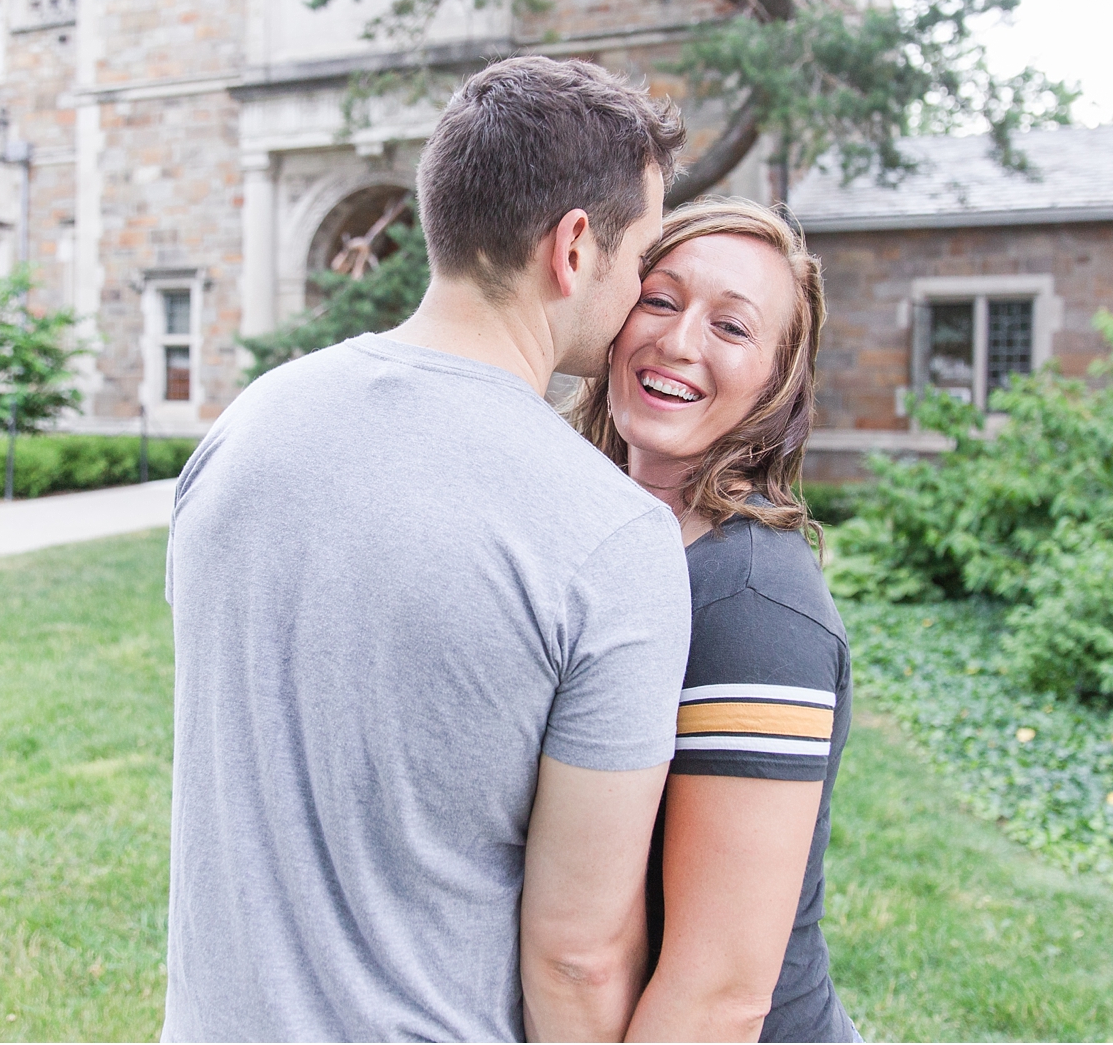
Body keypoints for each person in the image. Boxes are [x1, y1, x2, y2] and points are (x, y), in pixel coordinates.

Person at [161, 56, 691, 1042]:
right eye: (643, 257)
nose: (643, 289)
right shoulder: (611, 537)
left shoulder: (241, 432)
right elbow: (577, 954)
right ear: (574, 248)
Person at [571, 199, 860, 1042]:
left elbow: (721, 994)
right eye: (659, 300)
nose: (680, 341)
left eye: (731, 328)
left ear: (775, 384)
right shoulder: (605, 545)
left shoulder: (754, 608)